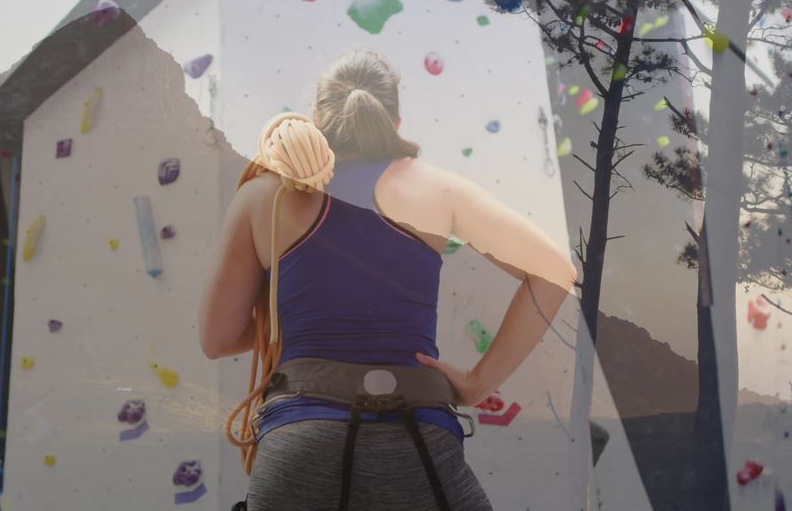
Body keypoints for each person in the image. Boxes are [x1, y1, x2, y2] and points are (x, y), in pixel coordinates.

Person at [198, 49, 577, 510]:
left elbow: (218, 337)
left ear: (318, 118)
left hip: (299, 440)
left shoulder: (264, 196)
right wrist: (478, 383)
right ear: (394, 121)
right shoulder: (439, 190)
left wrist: (294, 306)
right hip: (418, 435)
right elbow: (555, 272)